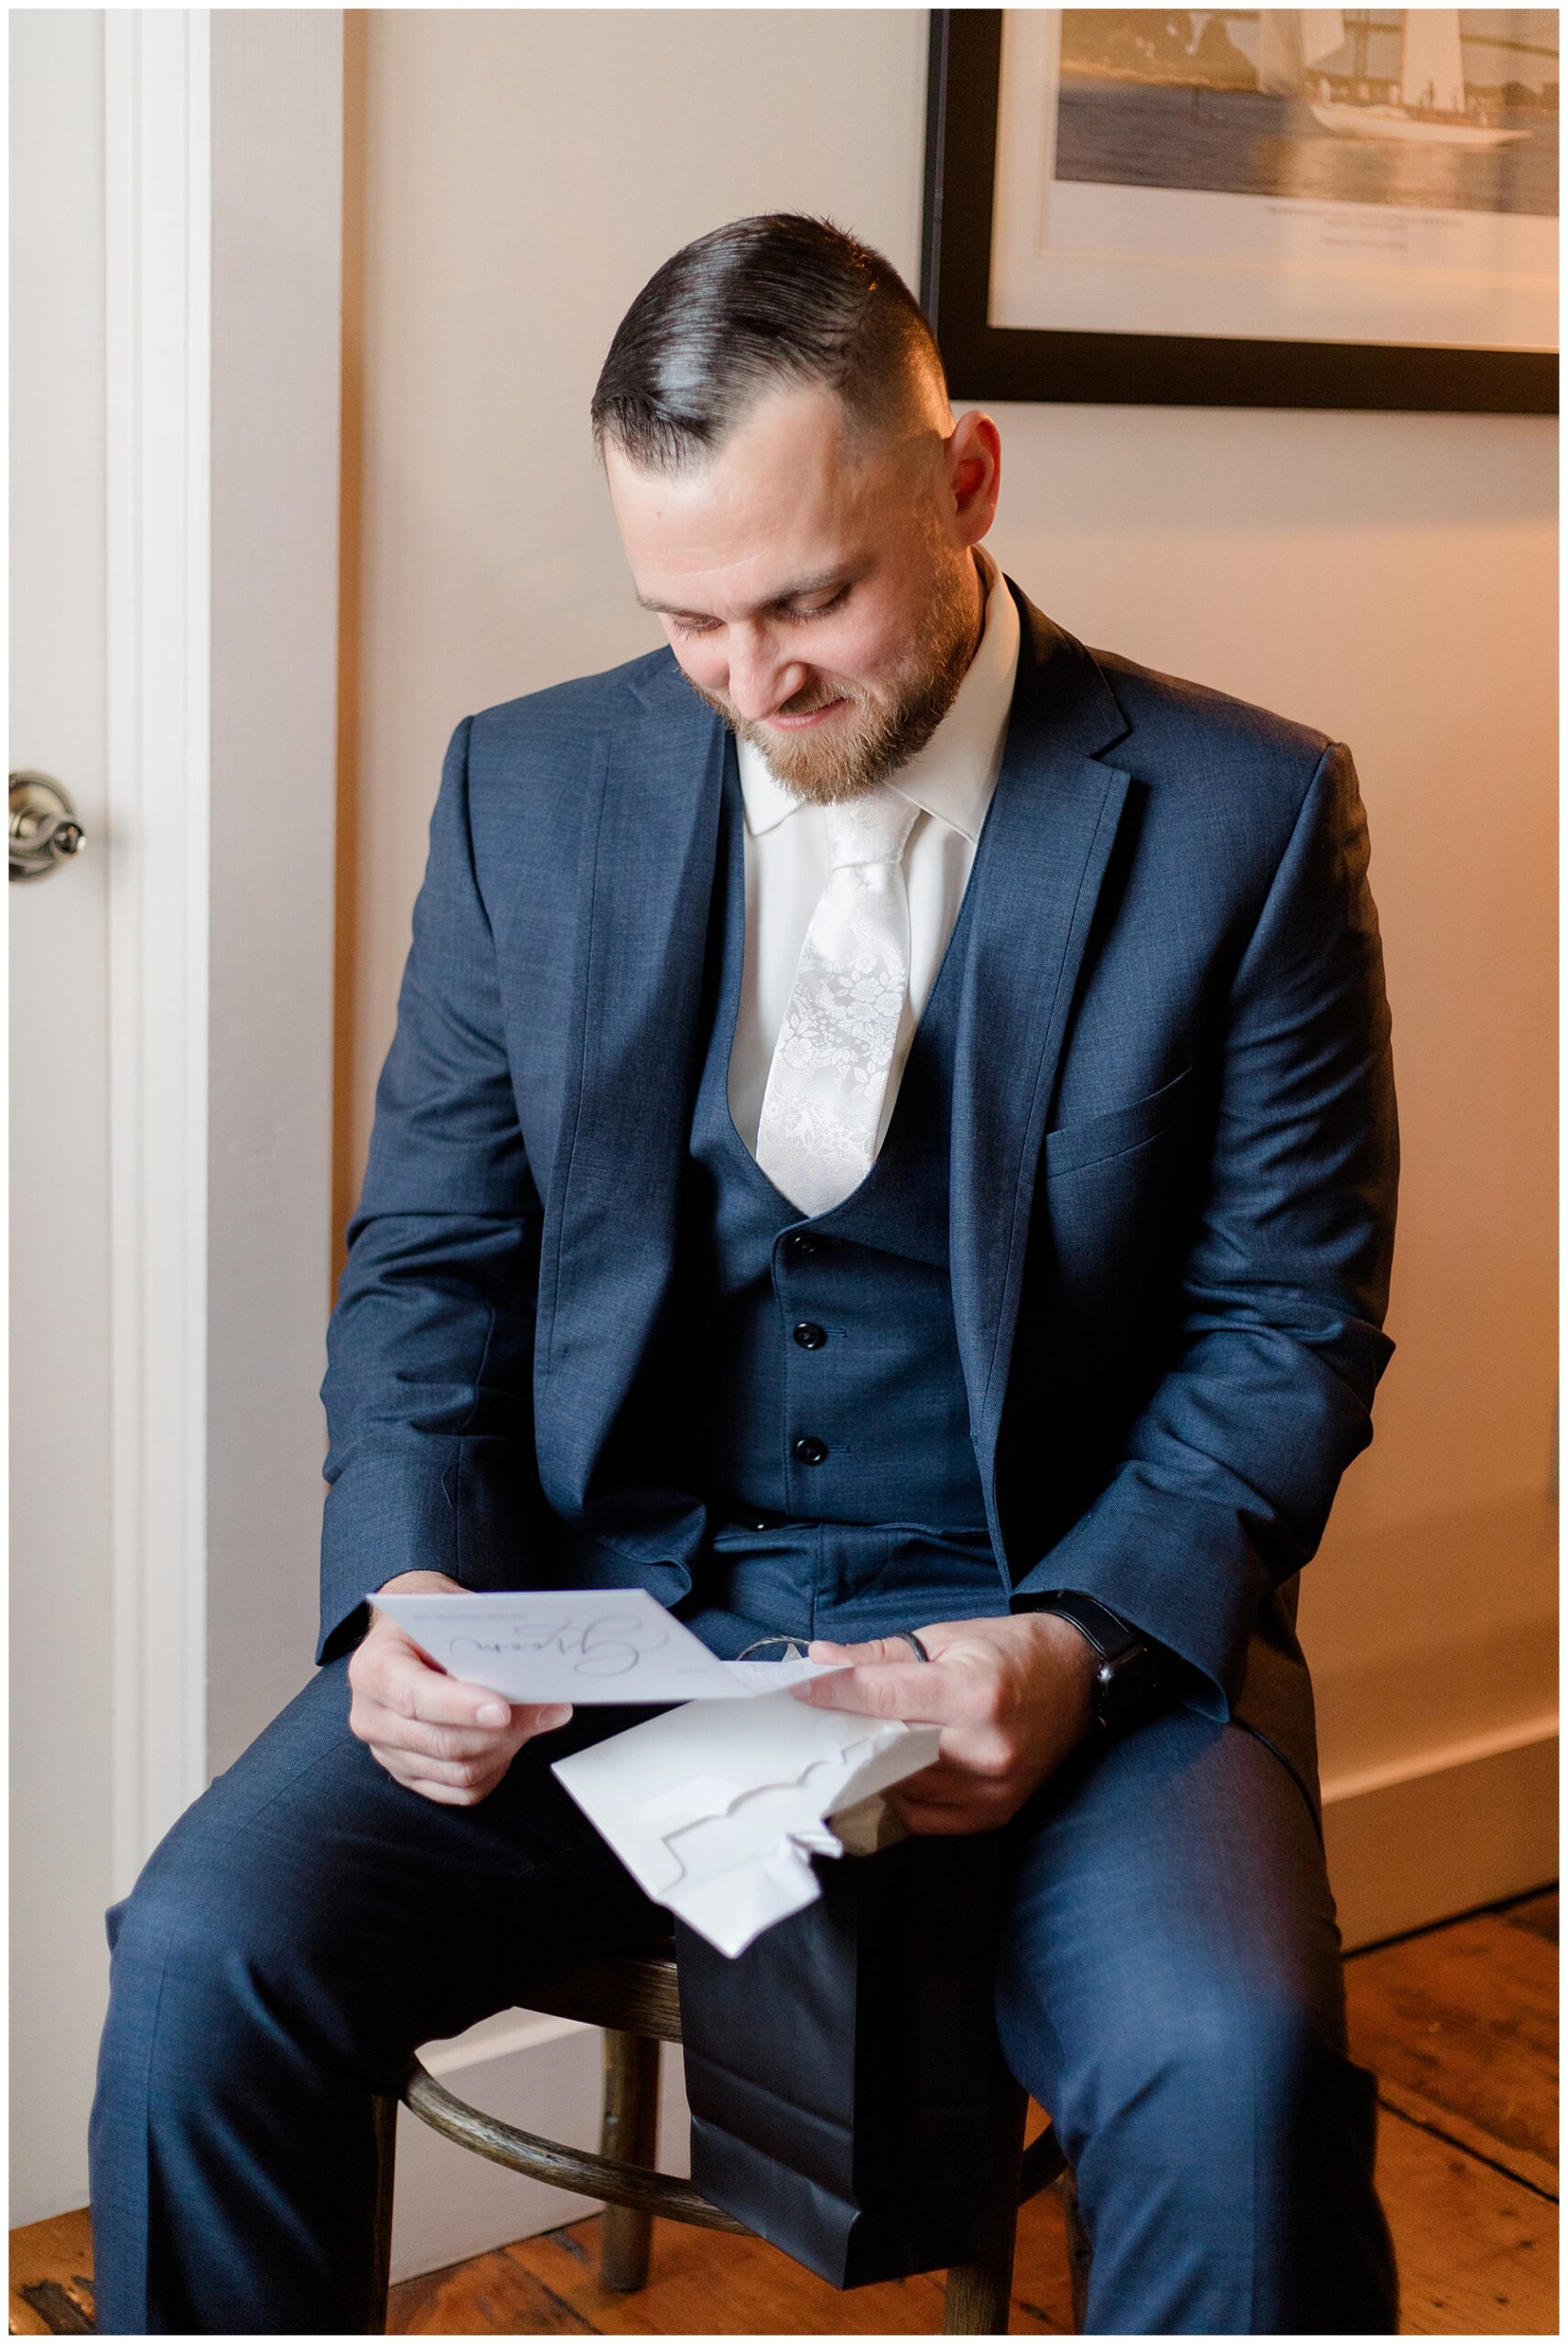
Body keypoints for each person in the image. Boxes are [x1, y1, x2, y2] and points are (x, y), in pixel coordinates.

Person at [90, 214, 1400, 2333]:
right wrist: (409, 1584)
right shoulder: (526, 784)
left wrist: (1068, 1640)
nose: (751, 678)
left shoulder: (1243, 816)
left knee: (1225, 2062)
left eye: (807, 596)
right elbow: (431, 1257)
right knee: (201, 1951)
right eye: (685, 616)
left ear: (962, 480)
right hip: (615, 1618)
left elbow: (1283, 1331)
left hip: (1070, 1637)